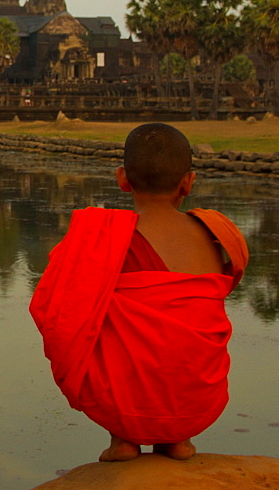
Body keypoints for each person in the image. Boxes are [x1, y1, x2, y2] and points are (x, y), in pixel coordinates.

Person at [30, 122, 248, 463]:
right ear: (188, 183)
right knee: (177, 338)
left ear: (122, 179)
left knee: (104, 331)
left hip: (119, 406)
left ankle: (123, 441)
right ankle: (178, 439)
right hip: (199, 402)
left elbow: (53, 311)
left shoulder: (102, 237)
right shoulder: (216, 233)